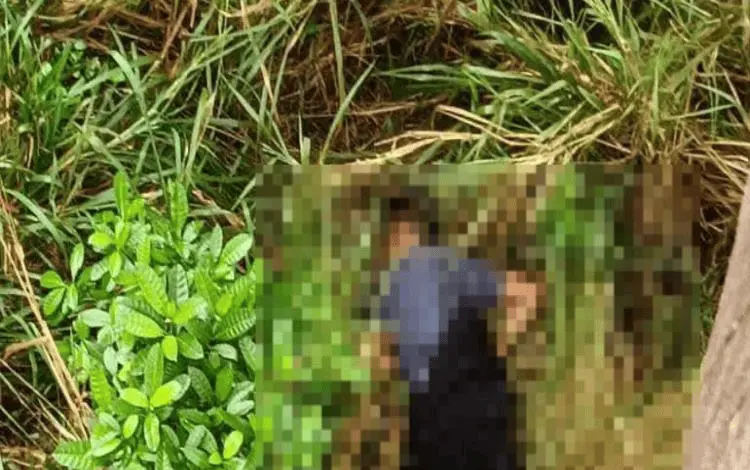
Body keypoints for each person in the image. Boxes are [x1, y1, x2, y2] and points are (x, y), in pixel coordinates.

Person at [374, 190, 528, 470]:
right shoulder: (442, 268)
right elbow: (525, 294)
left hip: (446, 407)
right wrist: (502, 349)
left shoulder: (431, 270)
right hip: (465, 404)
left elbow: (383, 360)